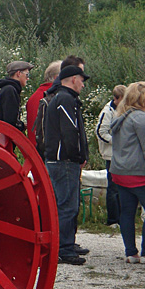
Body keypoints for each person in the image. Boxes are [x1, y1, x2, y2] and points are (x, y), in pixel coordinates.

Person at [110, 82, 145, 264]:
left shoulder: (120, 116)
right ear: (141, 98)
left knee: (127, 213)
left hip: (120, 172)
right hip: (139, 173)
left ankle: (131, 253)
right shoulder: (140, 118)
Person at [44, 65, 90, 265]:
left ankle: (64, 246)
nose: (82, 84)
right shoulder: (66, 99)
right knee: (67, 206)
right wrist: (78, 156)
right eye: (81, 80)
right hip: (64, 161)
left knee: (63, 204)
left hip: (58, 159)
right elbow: (71, 132)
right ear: (72, 79)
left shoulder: (60, 98)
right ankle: (63, 249)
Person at [96, 85, 126, 226]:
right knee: (113, 188)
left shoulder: (121, 109)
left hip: (120, 154)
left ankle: (121, 218)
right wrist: (116, 142)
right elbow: (100, 132)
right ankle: (112, 219)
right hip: (110, 155)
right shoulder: (107, 112)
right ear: (116, 98)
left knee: (121, 187)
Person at [27, 60, 61, 147]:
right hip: (46, 150)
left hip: (33, 150)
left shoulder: (34, 96)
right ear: (56, 77)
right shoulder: (55, 97)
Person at [0, 61, 34, 131]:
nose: (27, 78)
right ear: (18, 73)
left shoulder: (6, 89)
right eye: (27, 75)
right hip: (3, 138)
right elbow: (10, 121)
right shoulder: (10, 91)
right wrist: (22, 126)